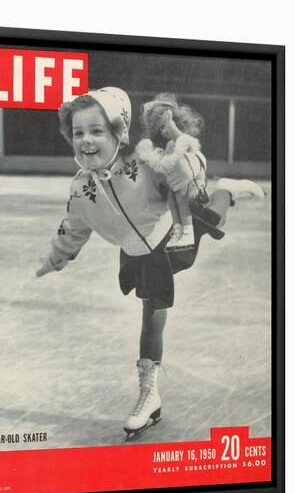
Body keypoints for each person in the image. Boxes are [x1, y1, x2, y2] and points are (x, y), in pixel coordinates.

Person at [36, 86, 264, 440]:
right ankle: (149, 393)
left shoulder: (142, 162)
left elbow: (189, 160)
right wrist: (57, 256)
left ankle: (227, 191)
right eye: (78, 132)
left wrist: (188, 174)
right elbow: (74, 227)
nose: (86, 140)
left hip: (173, 233)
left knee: (215, 221)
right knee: (152, 314)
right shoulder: (80, 189)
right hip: (138, 254)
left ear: (120, 132)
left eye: (97, 130)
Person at [137, 92, 207, 252]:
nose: (165, 130)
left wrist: (172, 126)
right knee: (172, 196)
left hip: (194, 186)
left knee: (180, 194)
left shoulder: (184, 140)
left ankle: (188, 232)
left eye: (168, 124)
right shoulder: (166, 145)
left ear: (177, 121)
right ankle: (178, 230)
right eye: (161, 127)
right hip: (178, 186)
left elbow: (191, 148)